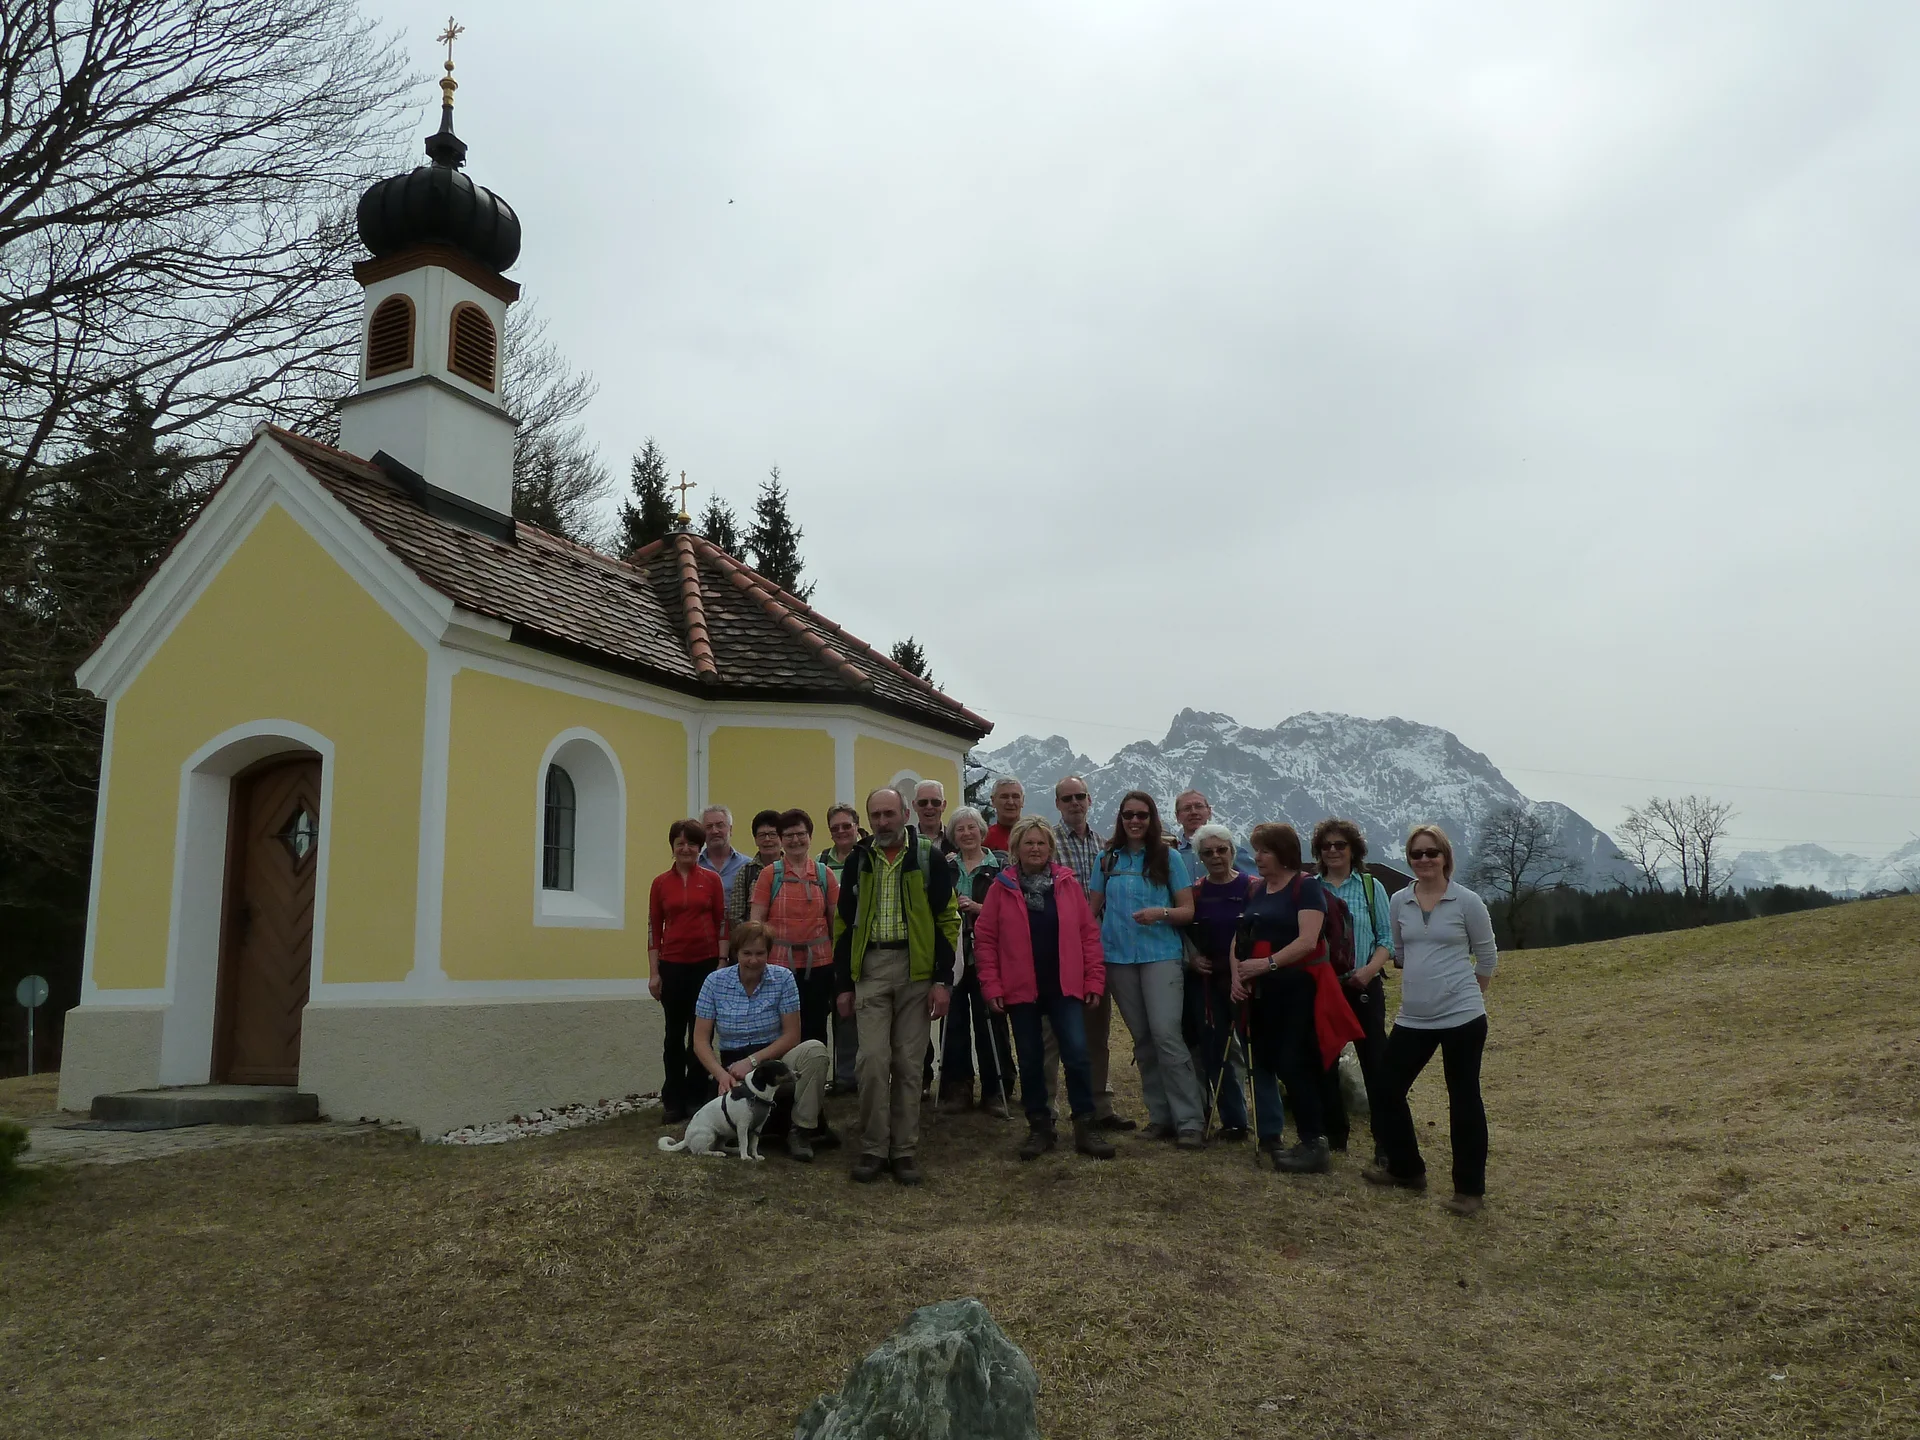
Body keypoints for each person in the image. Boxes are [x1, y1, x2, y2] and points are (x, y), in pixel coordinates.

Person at [1364, 824, 1497, 1217]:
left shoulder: (1467, 901)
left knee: (1464, 1100)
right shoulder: (1399, 901)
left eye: (1431, 853)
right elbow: (1399, 951)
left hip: (1463, 1018)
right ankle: (1407, 1170)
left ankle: (1469, 1191)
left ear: (1445, 857)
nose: (1423, 860)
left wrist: (1468, 994)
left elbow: (1487, 956)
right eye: (1416, 854)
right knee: (1387, 1091)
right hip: (1414, 1018)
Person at [832, 787, 959, 1185]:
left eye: (890, 814)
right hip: (869, 966)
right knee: (871, 1062)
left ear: (905, 814)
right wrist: (843, 984)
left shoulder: (928, 858)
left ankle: (903, 1150)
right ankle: (873, 1148)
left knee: (908, 1064)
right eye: (876, 815)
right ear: (868, 820)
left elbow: (947, 920)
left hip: (915, 970)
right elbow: (843, 923)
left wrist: (942, 980)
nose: (883, 822)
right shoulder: (859, 860)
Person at [975, 817, 1115, 1160]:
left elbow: (1088, 935)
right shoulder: (1001, 887)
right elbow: (986, 939)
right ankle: (1040, 1126)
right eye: (1028, 843)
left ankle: (1085, 1124)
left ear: (1050, 849)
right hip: (1021, 989)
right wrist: (991, 985)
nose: (1035, 849)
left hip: (1065, 987)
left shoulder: (1066, 885)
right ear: (1016, 850)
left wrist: (1094, 978)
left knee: (1078, 1056)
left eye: (1041, 843)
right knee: (1032, 1060)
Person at [1088, 791, 1206, 1148]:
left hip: (1161, 955)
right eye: (1128, 816)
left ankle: (1190, 1120)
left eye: (1141, 815)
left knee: (1167, 1035)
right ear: (1120, 820)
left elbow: (1188, 911)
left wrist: (1161, 913)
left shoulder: (1168, 858)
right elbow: (1090, 912)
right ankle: (1160, 1117)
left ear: (1152, 819)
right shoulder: (1107, 859)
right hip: (1119, 959)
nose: (1135, 822)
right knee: (1143, 1039)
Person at [1230, 822, 1339, 1175]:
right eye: (1256, 850)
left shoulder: (1305, 887)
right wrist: (1238, 974)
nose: (1257, 857)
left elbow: (1308, 940)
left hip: (1297, 988)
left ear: (1282, 851)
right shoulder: (1257, 889)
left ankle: (1314, 1142)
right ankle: (1279, 1135)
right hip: (1264, 991)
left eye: (1264, 850)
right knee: (1266, 1058)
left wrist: (1266, 964)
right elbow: (1241, 936)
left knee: (1295, 1061)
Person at [692, 921, 837, 1161]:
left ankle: (801, 1129)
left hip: (772, 1058)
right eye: (746, 953)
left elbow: (792, 1035)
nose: (753, 960)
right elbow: (699, 1040)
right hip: (732, 1065)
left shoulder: (783, 978)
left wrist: (753, 1061)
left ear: (769, 953)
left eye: (760, 953)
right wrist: (720, 1074)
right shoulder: (714, 982)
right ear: (735, 952)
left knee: (815, 1051)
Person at [1048, 775, 1131, 1130]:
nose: (1075, 803)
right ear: (1058, 804)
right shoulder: (1046, 844)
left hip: (1098, 946)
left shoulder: (1106, 847)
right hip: (1057, 948)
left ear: (1090, 800)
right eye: (1067, 798)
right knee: (1053, 1033)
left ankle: (1101, 1107)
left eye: (1080, 796)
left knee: (1097, 1030)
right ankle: (1047, 1110)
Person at [1313, 817, 1394, 1166]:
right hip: (1324, 988)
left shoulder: (1371, 888)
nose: (1333, 851)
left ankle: (1386, 1140)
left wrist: (1368, 972)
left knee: (1376, 1063)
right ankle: (1334, 1135)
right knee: (1324, 1063)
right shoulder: (1310, 889)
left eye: (1339, 845)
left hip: (1364, 985)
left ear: (1353, 850)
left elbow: (1386, 941)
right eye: (1326, 845)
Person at [648, 819, 730, 1124]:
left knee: (701, 1035)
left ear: (700, 848)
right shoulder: (659, 883)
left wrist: (722, 963)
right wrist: (654, 973)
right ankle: (673, 1100)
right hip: (672, 966)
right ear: (672, 847)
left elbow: (723, 923)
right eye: (680, 843)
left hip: (706, 966)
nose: (686, 849)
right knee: (673, 1036)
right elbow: (654, 929)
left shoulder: (711, 880)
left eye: (692, 844)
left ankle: (697, 1097)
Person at [938, 806, 1015, 1117]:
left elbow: (1010, 910)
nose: (966, 833)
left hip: (989, 954)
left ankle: (997, 1089)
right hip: (955, 955)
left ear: (982, 832)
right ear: (953, 836)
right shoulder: (946, 866)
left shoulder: (1001, 867)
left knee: (991, 1022)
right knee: (954, 1022)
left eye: (972, 828)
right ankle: (957, 1089)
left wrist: (978, 907)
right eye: (960, 829)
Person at [1183, 823, 1257, 1142]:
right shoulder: (1196, 892)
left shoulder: (1252, 888)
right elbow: (1184, 932)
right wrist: (1192, 957)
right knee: (1216, 1049)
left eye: (1221, 850)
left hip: (1248, 979)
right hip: (1210, 982)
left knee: (1254, 1048)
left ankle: (1266, 1122)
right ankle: (1234, 1121)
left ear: (1232, 851)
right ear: (1199, 857)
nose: (1216, 857)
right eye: (1208, 852)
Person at [750, 808, 840, 1048]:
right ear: (781, 839)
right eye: (789, 835)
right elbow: (756, 923)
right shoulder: (769, 875)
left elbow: (835, 923)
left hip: (819, 966)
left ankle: (814, 1082)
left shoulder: (825, 874)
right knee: (780, 1028)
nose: (795, 840)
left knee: (816, 1026)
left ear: (810, 836)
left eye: (801, 834)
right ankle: (784, 1083)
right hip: (778, 966)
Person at [819, 803, 864, 1095]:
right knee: (843, 1014)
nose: (841, 832)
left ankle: (871, 1073)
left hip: (869, 945)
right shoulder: (822, 862)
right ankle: (846, 1077)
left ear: (857, 827)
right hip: (836, 949)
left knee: (873, 1013)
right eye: (835, 828)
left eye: (846, 826)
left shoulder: (869, 856)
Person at [1171, 789, 1257, 875]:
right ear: (1177, 816)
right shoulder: (1172, 854)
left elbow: (1257, 881)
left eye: (1199, 806)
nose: (1194, 812)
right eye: (1187, 808)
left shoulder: (1229, 849)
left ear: (1209, 812)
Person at [728, 809, 784, 928]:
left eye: (773, 834)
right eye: (762, 835)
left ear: (782, 838)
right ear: (755, 840)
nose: (767, 839)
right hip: (755, 942)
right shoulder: (746, 872)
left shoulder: (792, 868)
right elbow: (735, 915)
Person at [699, 805, 750, 893]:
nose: (714, 831)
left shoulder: (747, 866)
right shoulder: (693, 866)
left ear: (730, 829)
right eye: (709, 827)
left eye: (720, 825)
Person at [913, 780, 954, 857]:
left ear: (943, 805)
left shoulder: (955, 840)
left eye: (935, 802)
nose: (929, 806)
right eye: (923, 802)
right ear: (914, 806)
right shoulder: (905, 841)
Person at [983, 777, 1024, 851]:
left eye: (1015, 797)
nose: (1011, 802)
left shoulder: (1036, 837)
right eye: (1004, 797)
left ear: (1023, 801)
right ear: (993, 801)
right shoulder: (984, 839)